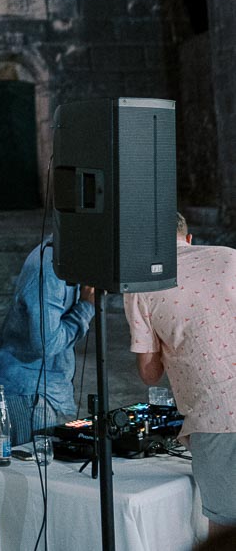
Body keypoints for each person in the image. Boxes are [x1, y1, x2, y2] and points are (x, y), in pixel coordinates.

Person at [124, 213, 236, 539]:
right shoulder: (229, 257)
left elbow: (149, 373)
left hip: (217, 416)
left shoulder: (143, 285)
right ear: (189, 239)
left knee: (226, 528)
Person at [0, 238, 94, 444]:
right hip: (28, 389)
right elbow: (47, 343)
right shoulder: (49, 271)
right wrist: (86, 307)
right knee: (34, 462)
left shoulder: (64, 259)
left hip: (43, 384)